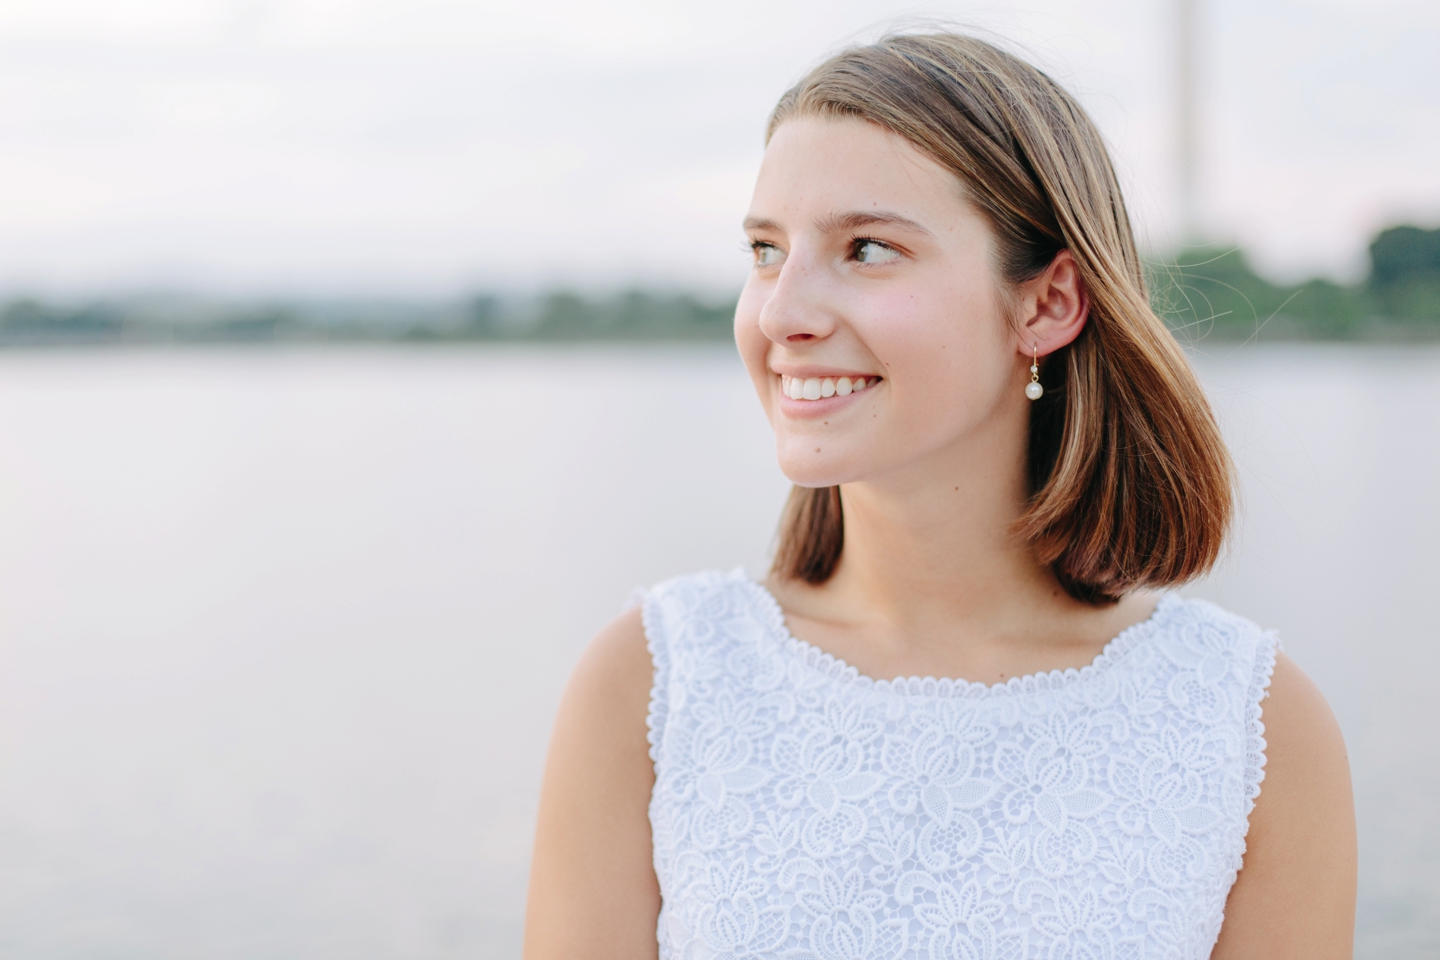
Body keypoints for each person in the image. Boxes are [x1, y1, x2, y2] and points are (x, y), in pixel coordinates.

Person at [524, 32, 1356, 960]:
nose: (781, 314)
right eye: (766, 250)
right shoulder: (653, 684)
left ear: (1045, 305)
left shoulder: (1249, 725)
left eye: (867, 248)